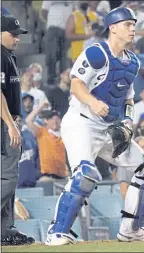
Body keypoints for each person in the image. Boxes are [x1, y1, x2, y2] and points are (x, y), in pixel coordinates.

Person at [45, 8, 144, 246]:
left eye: (134, 24)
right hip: (81, 122)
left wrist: (128, 123)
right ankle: (56, 232)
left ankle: (131, 230)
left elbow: (129, 99)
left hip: (110, 129)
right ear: (113, 27)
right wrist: (93, 102)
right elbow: (76, 85)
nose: (133, 29)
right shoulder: (96, 53)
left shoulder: (133, 62)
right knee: (85, 174)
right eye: (128, 24)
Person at [1, 15, 35, 246]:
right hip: (4, 122)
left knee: (7, 177)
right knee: (8, 177)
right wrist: (11, 125)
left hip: (8, 121)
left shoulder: (7, 56)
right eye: (12, 34)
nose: (16, 38)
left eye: (18, 35)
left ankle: (5, 231)